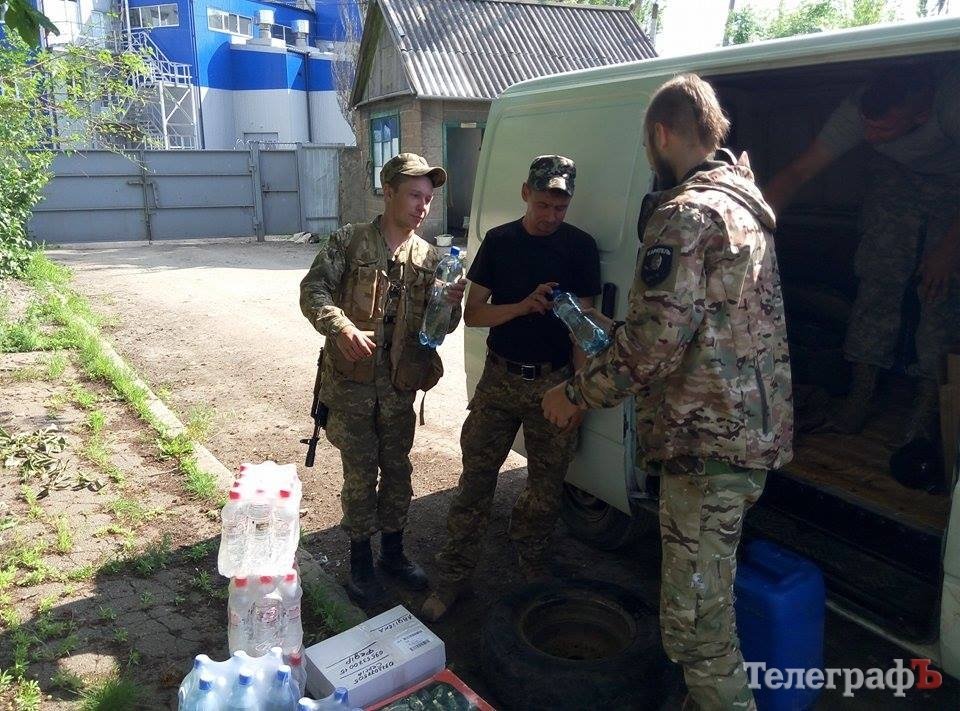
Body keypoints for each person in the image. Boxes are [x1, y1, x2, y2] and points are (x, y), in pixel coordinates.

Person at [542, 75, 793, 710]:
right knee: (708, 599)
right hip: (744, 438)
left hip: (708, 444)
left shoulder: (686, 213)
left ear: (660, 134)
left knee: (698, 633)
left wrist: (576, 392)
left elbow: (653, 349)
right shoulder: (745, 207)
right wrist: (621, 332)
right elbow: (705, 326)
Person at [420, 155, 601, 622]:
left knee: (544, 491)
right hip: (500, 380)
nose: (550, 216)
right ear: (525, 193)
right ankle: (453, 576)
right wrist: (521, 307)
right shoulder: (500, 242)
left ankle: (532, 572)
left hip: (554, 384)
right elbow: (474, 314)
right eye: (543, 204)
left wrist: (579, 392)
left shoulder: (580, 247)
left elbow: (584, 328)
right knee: (474, 484)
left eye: (560, 207)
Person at [299, 153, 466, 606]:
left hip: (398, 390)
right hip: (351, 389)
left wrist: (450, 303)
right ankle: (359, 564)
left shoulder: (430, 258)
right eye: (414, 195)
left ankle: (392, 553)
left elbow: (442, 330)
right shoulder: (350, 242)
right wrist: (340, 325)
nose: (422, 206)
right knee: (359, 475)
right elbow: (312, 291)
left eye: (429, 199)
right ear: (388, 191)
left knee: (397, 472)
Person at [765, 62, 960, 440]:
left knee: (940, 289)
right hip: (896, 179)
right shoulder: (858, 112)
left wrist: (948, 250)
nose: (868, 135)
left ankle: (928, 407)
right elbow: (798, 172)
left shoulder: (951, 102)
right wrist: (749, 226)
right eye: (866, 125)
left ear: (921, 114)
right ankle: (859, 396)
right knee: (877, 278)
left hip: (955, 184)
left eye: (882, 128)